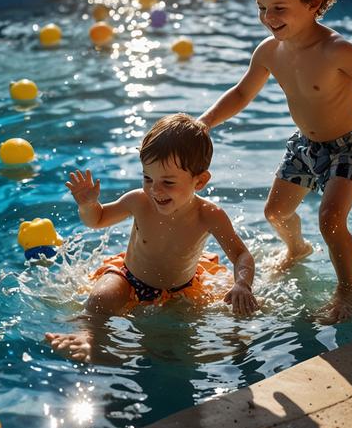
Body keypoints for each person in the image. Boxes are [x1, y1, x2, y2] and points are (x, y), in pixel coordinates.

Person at [198, 0, 352, 323]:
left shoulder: (336, 49)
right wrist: (204, 122)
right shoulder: (270, 52)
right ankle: (297, 248)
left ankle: (349, 289)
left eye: (279, 8)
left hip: (349, 146)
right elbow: (241, 93)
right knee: (275, 211)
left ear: (314, 1)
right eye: (261, 7)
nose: (268, 17)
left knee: (331, 220)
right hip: (305, 144)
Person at [46, 113, 257, 361]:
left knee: (175, 343)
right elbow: (98, 220)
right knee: (101, 299)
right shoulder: (139, 200)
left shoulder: (209, 215)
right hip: (129, 277)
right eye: (148, 178)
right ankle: (89, 336)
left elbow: (241, 255)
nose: (155, 190)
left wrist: (242, 283)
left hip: (182, 289)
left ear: (199, 181)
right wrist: (88, 205)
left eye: (168, 182)